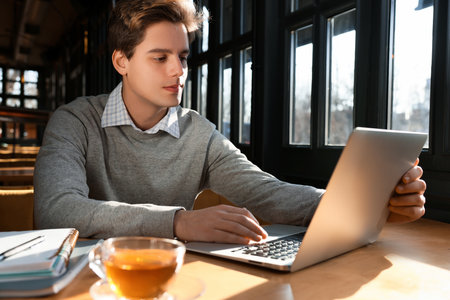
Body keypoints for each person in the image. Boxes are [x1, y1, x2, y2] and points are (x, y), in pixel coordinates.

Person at [34, 0, 426, 244]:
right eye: (160, 57)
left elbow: (268, 193)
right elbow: (55, 210)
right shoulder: (75, 121)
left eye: (183, 57)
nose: (178, 71)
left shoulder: (198, 133)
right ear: (122, 61)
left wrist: (370, 202)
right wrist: (180, 222)